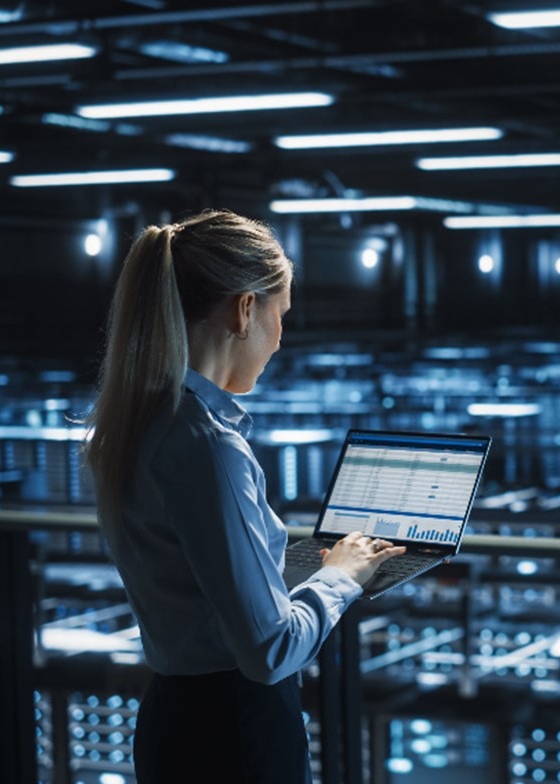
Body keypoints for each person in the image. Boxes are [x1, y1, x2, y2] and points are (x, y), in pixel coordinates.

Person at [84, 208, 404, 783]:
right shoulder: (208, 446)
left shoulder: (140, 423)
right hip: (234, 732)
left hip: (174, 720)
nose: (281, 338)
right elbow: (270, 652)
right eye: (281, 314)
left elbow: (201, 581)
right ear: (245, 309)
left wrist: (294, 564)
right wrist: (341, 578)